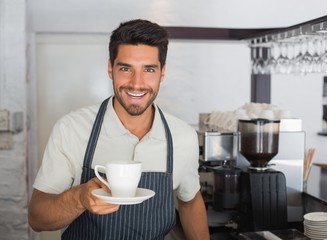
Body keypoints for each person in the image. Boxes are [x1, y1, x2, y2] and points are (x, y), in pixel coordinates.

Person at [28, 19, 210, 240]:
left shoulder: (183, 137)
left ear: (162, 73)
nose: (136, 83)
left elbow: (190, 202)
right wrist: (80, 198)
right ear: (110, 68)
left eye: (149, 69)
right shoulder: (72, 129)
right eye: (125, 68)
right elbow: (37, 218)